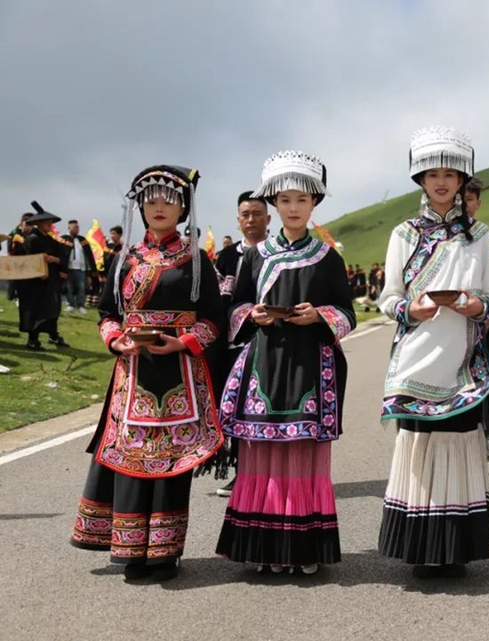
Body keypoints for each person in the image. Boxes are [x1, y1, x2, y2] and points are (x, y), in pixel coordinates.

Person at [69, 165, 223, 581]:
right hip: (132, 371)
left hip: (179, 372)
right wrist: (116, 339)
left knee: (172, 461)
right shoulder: (125, 260)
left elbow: (214, 318)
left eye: (168, 201)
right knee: (131, 458)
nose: (158, 208)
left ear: (183, 209)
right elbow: (106, 314)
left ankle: (165, 552)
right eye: (150, 200)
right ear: (140, 207)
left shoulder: (196, 260)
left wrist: (184, 341)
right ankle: (130, 548)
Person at [216, 151, 354, 575]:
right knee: (261, 453)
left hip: (310, 365)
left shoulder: (327, 258)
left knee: (303, 454)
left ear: (314, 204)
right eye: (286, 200)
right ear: (274, 204)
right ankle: (262, 547)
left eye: (302, 200)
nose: (294, 208)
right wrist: (251, 314)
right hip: (264, 364)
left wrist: (320, 315)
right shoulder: (255, 256)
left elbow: (346, 313)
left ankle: (304, 548)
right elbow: (236, 306)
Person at [378, 127, 489, 578]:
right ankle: (421, 549)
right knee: (419, 448)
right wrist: (413, 307)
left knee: (459, 447)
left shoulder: (481, 235)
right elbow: (388, 298)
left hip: (463, 361)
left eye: (451, 174)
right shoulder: (403, 234)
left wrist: (475, 306)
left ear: (463, 180)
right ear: (422, 180)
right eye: (434, 174)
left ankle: (455, 549)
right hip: (416, 356)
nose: (443, 182)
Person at [212, 190, 272, 497]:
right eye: (245, 215)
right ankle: (241, 472)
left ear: (268, 218)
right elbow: (217, 299)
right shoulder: (226, 256)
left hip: (268, 342)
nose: (251, 220)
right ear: (238, 221)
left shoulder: (277, 253)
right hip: (230, 343)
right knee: (234, 409)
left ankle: (263, 474)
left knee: (260, 408)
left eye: (257, 214)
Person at [464, 178, 489, 373]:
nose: (464, 205)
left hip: (480, 317)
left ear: (478, 204)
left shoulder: (488, 237)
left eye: (469, 199)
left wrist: (487, 321)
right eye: (459, 199)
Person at [19, 202, 69, 349]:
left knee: (52, 308)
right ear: (40, 223)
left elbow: (62, 257)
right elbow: (27, 260)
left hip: (51, 280)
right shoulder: (32, 239)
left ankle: (53, 335)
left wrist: (55, 259)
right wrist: (39, 268)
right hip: (35, 282)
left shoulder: (50, 240)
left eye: (51, 223)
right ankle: (32, 339)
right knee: (36, 309)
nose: (50, 226)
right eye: (48, 223)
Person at [61, 219, 96, 314]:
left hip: (81, 268)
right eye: (75, 227)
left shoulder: (82, 240)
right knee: (69, 288)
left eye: (78, 227)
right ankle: (70, 304)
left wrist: (90, 271)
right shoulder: (63, 239)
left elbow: (89, 256)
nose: (77, 229)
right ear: (69, 228)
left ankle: (81, 305)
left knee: (81, 288)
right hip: (68, 268)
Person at [6, 213, 33, 304]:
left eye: (31, 225)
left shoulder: (34, 235)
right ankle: (15, 296)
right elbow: (10, 250)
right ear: (22, 224)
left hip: (30, 262)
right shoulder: (14, 234)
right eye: (27, 225)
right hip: (16, 261)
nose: (29, 227)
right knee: (11, 291)